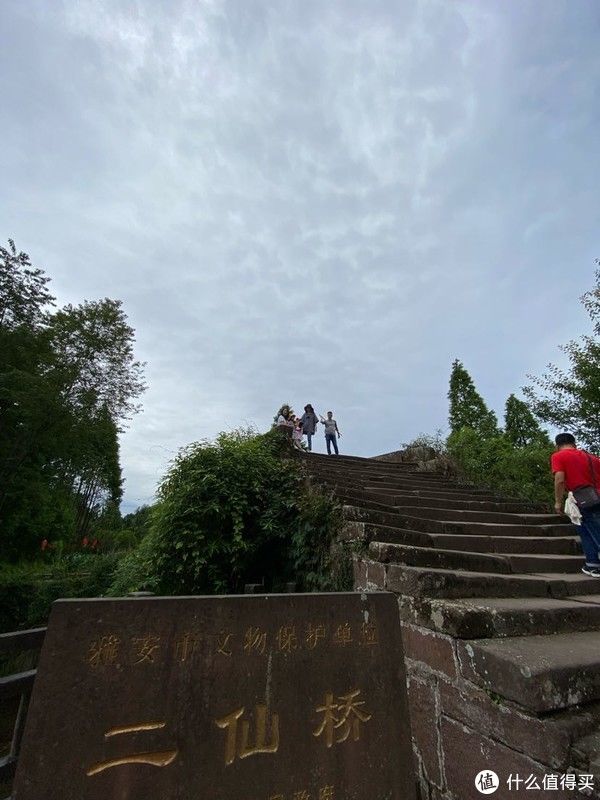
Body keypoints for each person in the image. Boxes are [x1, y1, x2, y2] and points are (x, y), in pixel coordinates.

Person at [551, 432, 600, 577]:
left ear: (557, 445)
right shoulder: (592, 457)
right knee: (584, 530)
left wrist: (558, 502)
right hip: (597, 496)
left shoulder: (558, 456)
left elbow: (559, 479)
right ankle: (592, 564)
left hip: (583, 499)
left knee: (594, 530)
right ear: (574, 443)